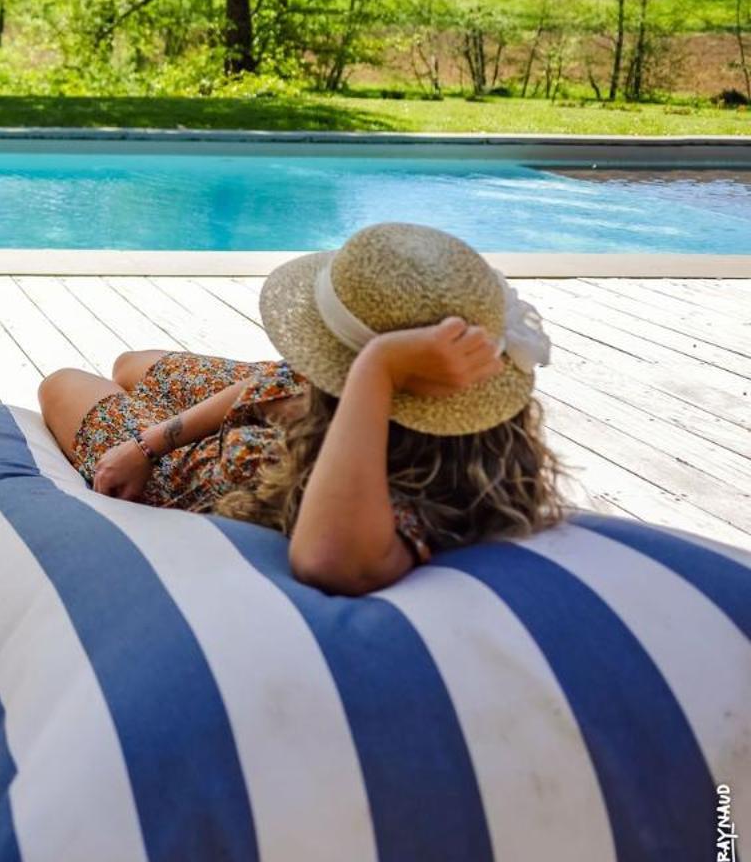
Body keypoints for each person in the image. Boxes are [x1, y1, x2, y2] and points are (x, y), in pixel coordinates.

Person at [36, 222, 565, 595]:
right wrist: (155, 438)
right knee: (131, 363)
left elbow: (328, 560)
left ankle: (150, 420)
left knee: (62, 383)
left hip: (215, 467)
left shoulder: (409, 493)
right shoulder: (478, 450)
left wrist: (376, 366)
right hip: (272, 403)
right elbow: (286, 381)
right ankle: (159, 416)